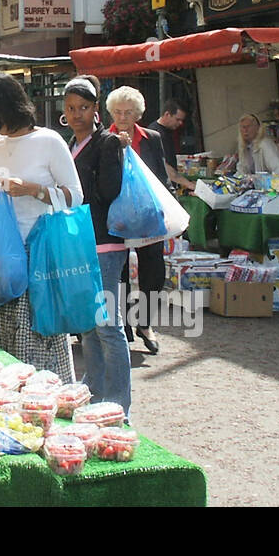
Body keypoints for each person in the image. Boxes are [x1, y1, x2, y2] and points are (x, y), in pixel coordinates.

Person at [0, 72, 84, 381]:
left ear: (10, 110)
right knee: (1, 344)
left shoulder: (49, 141)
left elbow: (75, 196)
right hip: (0, 258)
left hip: (37, 256)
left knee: (36, 343)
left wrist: (33, 189)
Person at [63, 75, 132, 418]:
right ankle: (95, 397)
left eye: (84, 108)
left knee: (107, 327)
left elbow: (108, 191)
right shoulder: (70, 144)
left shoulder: (106, 143)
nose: (77, 114)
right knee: (89, 327)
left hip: (105, 244)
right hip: (81, 243)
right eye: (72, 107)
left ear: (95, 109)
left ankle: (119, 404)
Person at [106, 86, 168, 356]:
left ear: (137, 114)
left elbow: (162, 176)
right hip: (115, 217)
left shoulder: (152, 138)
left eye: (128, 112)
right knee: (117, 272)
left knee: (153, 268)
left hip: (146, 215)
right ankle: (121, 326)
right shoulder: (104, 139)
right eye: (118, 112)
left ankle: (146, 324)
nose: (122, 117)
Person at [148, 99, 196, 193]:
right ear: (167, 114)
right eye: (177, 119)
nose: (180, 123)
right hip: (159, 189)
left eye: (182, 120)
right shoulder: (155, 133)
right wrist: (189, 184)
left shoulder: (168, 131)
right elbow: (165, 166)